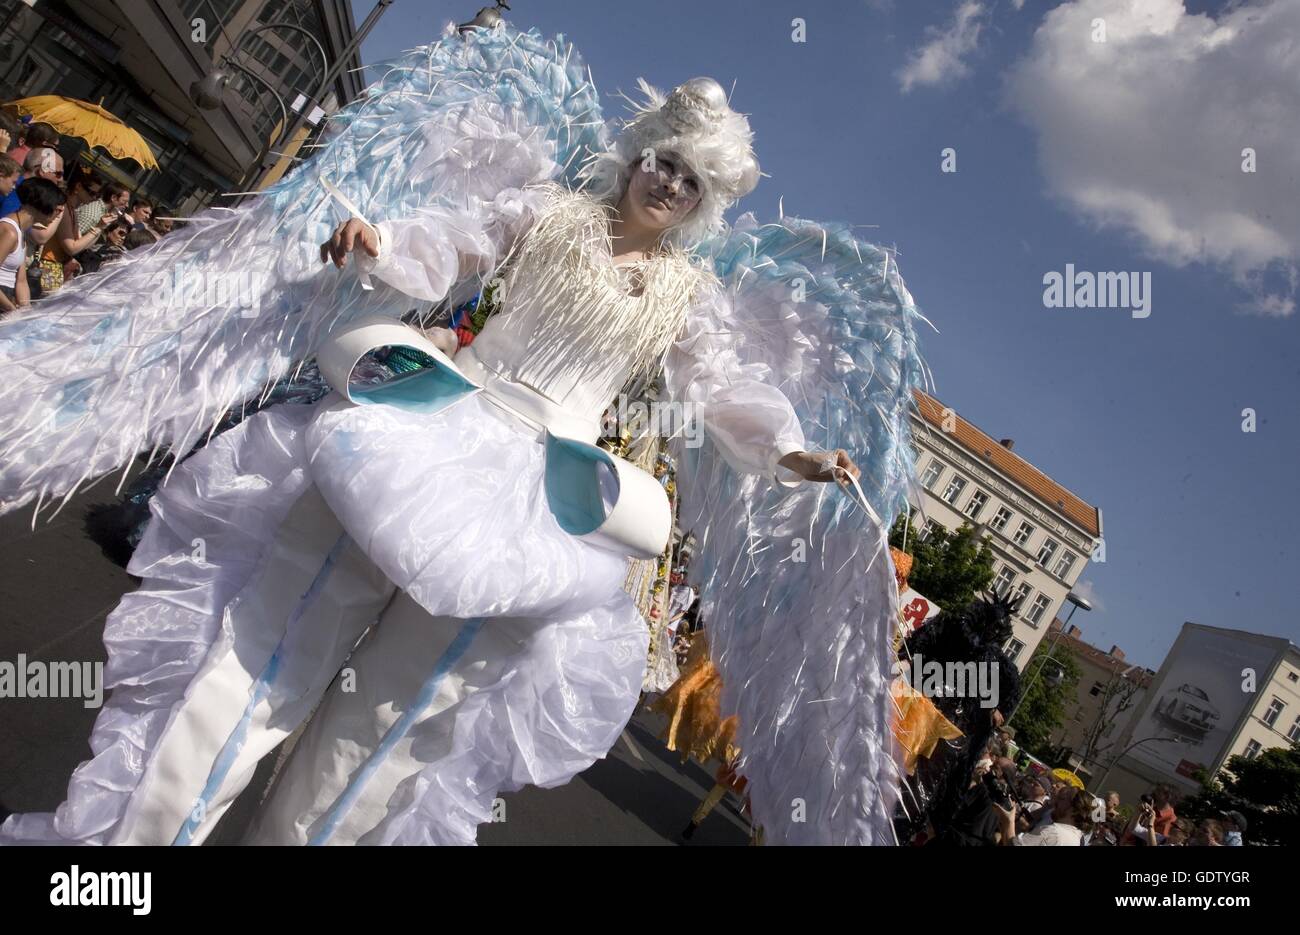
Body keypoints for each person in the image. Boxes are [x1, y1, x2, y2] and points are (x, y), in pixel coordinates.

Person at [0, 26, 921, 847]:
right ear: (639, 153)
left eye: (691, 180)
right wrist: (382, 240)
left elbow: (722, 392)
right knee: (270, 648)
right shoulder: (550, 210)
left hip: (542, 504)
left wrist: (790, 452)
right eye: (665, 162)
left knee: (390, 729)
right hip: (431, 430)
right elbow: (456, 241)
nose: (670, 184)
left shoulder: (689, 297)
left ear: (702, 201)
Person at [32, 165, 114, 292]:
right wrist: (98, 227)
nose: (94, 198)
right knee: (43, 301)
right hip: (46, 263)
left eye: (97, 195)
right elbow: (71, 248)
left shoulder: (72, 211)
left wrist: (101, 227)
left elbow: (82, 245)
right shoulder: (64, 208)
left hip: (55, 266)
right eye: (91, 193)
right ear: (78, 187)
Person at [0, 178, 65, 313]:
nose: (59, 215)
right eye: (58, 209)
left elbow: (21, 281)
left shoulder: (21, 232)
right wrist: (11, 309)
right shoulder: (9, 232)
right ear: (44, 204)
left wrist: (26, 312)